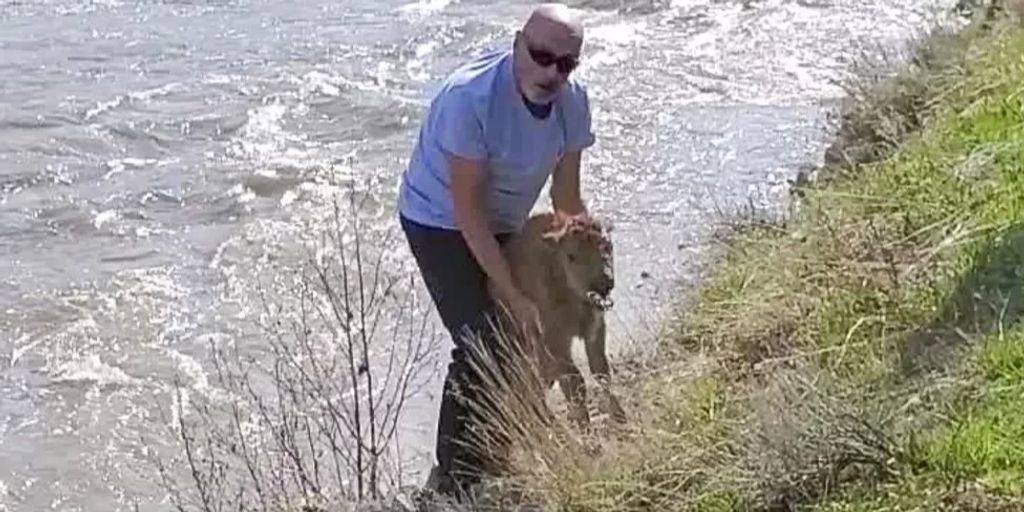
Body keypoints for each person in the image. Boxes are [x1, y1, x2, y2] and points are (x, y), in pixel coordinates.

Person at [395, 2, 596, 503]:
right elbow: (469, 214)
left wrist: (588, 260)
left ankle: (500, 448)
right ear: (517, 44)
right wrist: (511, 292)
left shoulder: (573, 104)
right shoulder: (471, 100)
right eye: (542, 55)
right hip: (439, 218)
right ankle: (451, 482)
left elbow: (567, 200)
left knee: (539, 329)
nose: (551, 71)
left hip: (506, 219)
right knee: (484, 338)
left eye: (565, 63)